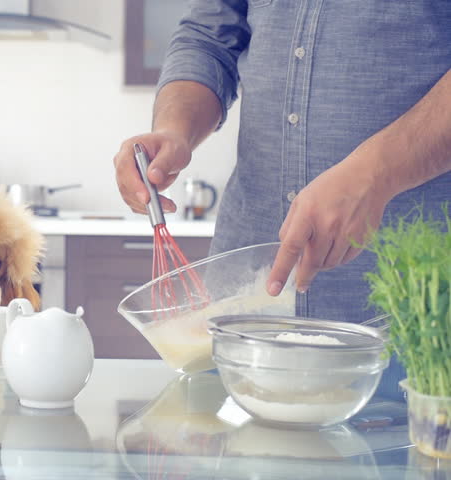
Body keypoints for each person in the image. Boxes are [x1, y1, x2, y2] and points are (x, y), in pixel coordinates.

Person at [114, 1, 450, 399]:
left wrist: (376, 172)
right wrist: (174, 129)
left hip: (413, 331)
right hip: (238, 328)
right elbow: (208, 36)